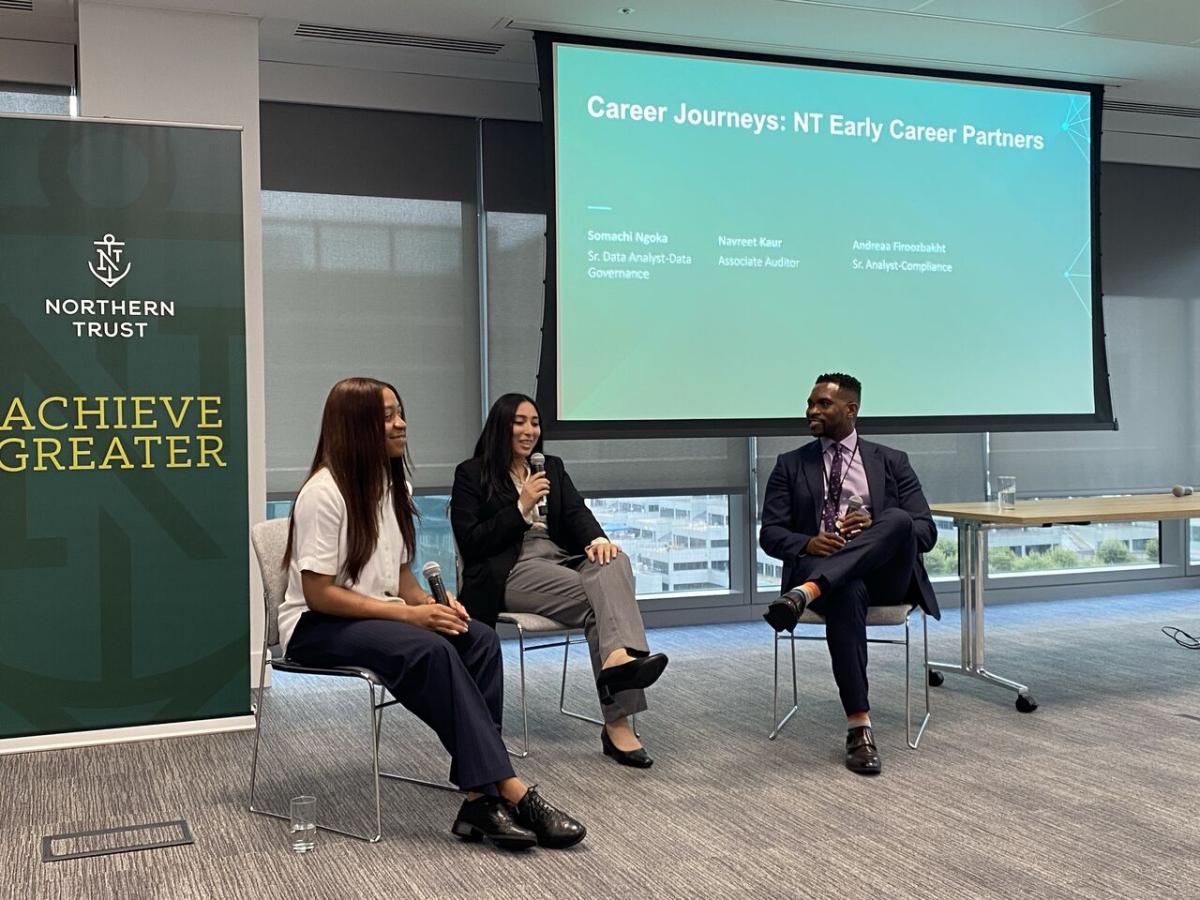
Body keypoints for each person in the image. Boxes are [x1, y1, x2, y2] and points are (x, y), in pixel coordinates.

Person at [278, 377, 585, 850]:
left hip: (376, 617)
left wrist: (430, 604)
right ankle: (508, 787)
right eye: (387, 416)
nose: (402, 423)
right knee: (429, 648)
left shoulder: (392, 481)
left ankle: (478, 800)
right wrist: (409, 618)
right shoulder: (324, 493)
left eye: (400, 411)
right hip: (318, 626)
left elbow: (400, 576)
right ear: (356, 426)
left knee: (476, 636)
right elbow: (318, 594)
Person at [451, 393, 668, 768]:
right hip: (512, 569)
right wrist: (520, 507)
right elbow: (472, 542)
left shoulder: (550, 465)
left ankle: (618, 659)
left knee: (615, 562)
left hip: (559, 558)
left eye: (535, 422)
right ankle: (618, 722)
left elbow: (576, 513)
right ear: (501, 425)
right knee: (605, 604)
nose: (529, 430)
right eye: (520, 421)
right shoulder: (471, 473)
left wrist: (598, 540)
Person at [759, 373, 939, 776]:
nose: (811, 411)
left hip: (886, 578)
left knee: (896, 519)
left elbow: (925, 531)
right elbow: (769, 534)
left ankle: (807, 591)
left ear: (851, 410)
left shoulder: (892, 461)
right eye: (810, 403)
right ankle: (859, 727)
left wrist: (873, 529)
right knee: (845, 587)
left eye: (822, 404)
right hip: (828, 572)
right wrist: (808, 544)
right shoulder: (791, 465)